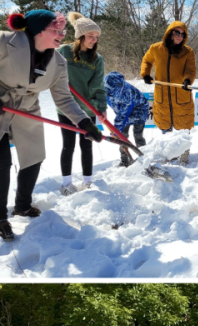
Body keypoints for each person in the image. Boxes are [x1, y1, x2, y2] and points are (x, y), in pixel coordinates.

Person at [0, 10, 103, 241]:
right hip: (0, 103)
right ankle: (0, 219)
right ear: (38, 31)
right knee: (2, 162)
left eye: (62, 30)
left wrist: (85, 122)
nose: (61, 35)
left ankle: (23, 206)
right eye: (56, 30)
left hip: (25, 108)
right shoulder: (6, 42)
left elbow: (64, 99)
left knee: (34, 155)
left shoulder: (58, 62)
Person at [57, 12, 106, 195]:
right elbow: (49, 71)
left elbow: (98, 87)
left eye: (96, 37)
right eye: (90, 36)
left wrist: (100, 107)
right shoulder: (63, 52)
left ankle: (87, 182)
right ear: (80, 35)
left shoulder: (97, 59)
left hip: (87, 109)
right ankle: (66, 183)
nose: (94, 40)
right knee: (68, 145)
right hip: (66, 107)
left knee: (87, 144)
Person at [140, 20, 196, 164]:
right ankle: (168, 157)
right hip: (163, 96)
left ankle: (183, 157)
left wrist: (187, 80)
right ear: (170, 33)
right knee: (165, 129)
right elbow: (146, 61)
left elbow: (190, 70)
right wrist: (146, 74)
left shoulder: (188, 52)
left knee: (183, 130)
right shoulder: (156, 48)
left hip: (181, 96)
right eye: (177, 32)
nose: (179, 36)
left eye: (182, 34)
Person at [104, 71, 149, 168]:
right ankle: (125, 161)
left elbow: (123, 115)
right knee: (122, 137)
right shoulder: (106, 90)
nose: (109, 91)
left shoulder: (126, 93)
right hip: (123, 111)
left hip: (139, 109)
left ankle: (143, 159)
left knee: (138, 135)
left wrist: (116, 130)